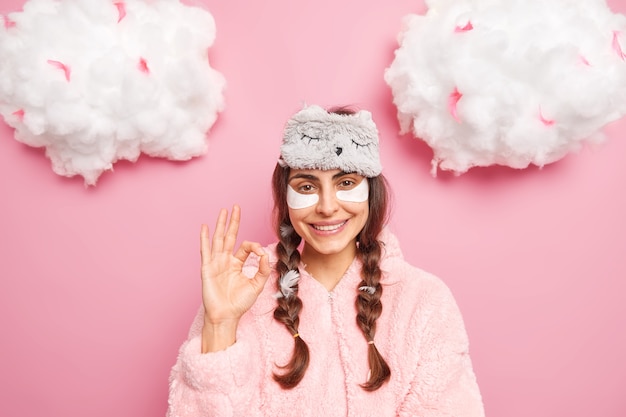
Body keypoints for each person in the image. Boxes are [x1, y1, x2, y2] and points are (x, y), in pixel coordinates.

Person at [166, 104, 484, 417]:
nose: (328, 206)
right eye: (307, 186)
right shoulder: (243, 294)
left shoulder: (423, 300)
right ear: (285, 197)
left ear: (372, 192)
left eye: (346, 183)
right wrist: (220, 326)